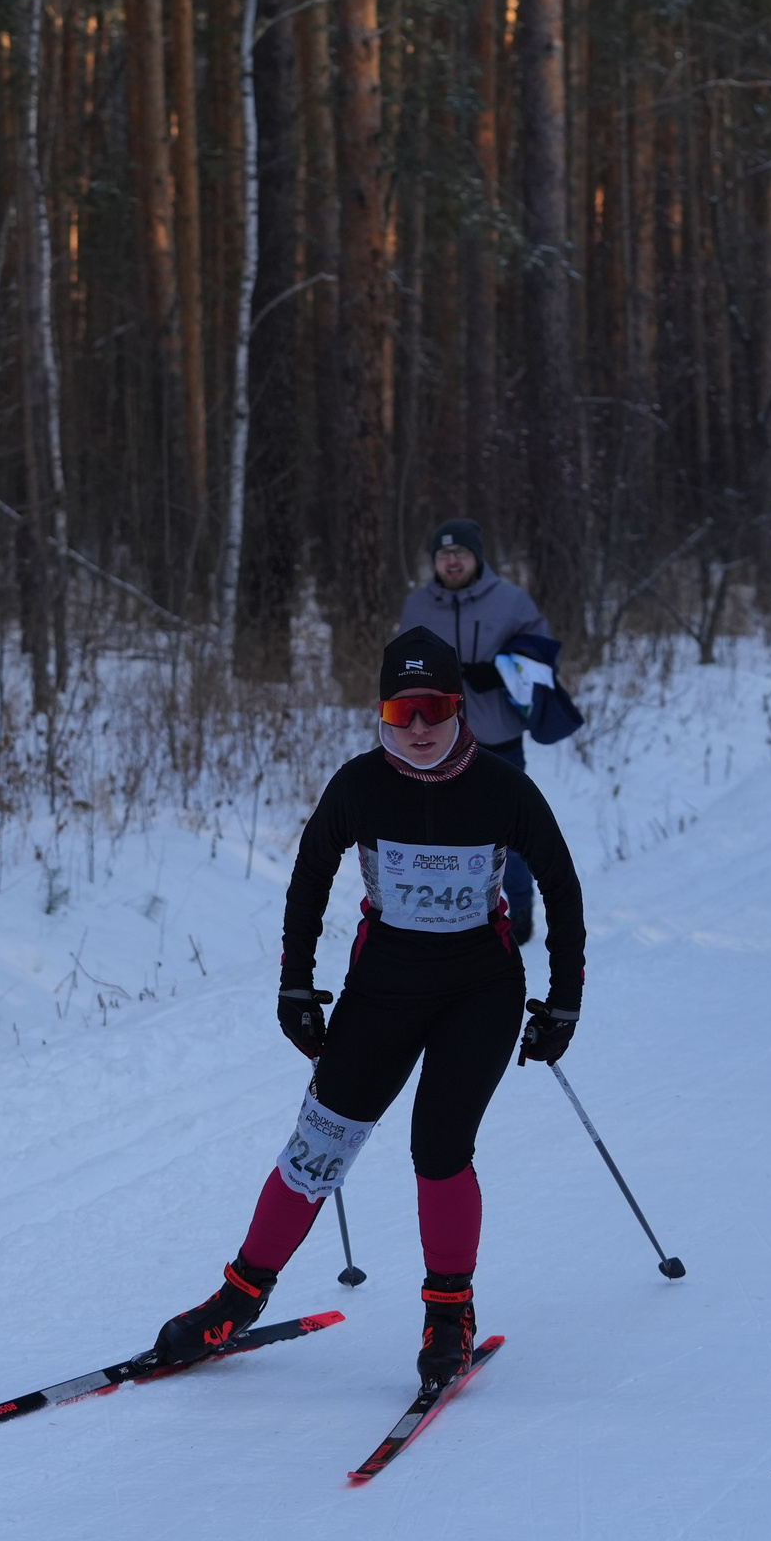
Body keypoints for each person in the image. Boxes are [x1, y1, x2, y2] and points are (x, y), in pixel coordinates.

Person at [149, 628, 585, 1393]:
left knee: (439, 1146)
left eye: (434, 708)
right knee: (317, 1146)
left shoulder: (502, 788)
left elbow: (561, 886)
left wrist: (564, 1002)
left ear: (459, 708)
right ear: (380, 711)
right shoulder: (359, 785)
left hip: (480, 991)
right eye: (399, 709)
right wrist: (295, 985)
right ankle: (237, 1299)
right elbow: (310, 876)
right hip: (383, 988)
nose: (417, 726)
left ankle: (448, 1315)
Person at [398, 518, 553, 941]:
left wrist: (502, 670)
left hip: (499, 736)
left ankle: (520, 907)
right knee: (440, 834)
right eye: (443, 554)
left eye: (460, 553)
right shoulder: (417, 605)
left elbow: (542, 655)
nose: (452, 561)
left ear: (477, 557)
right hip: (434, 739)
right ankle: (451, 914)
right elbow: (399, 665)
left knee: (509, 830)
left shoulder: (512, 601)